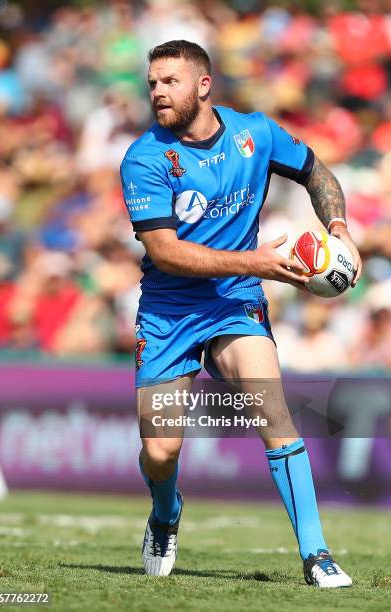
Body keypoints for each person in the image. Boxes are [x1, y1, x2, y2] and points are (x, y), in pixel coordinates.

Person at [120, 40, 362, 586]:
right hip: (169, 311)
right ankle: (165, 514)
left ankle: (316, 555)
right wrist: (256, 259)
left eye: (170, 81)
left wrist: (340, 231)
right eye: (153, 82)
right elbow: (165, 252)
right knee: (160, 451)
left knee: (273, 412)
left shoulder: (256, 133)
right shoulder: (145, 158)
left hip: (234, 302)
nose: (157, 90)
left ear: (203, 85)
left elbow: (317, 172)